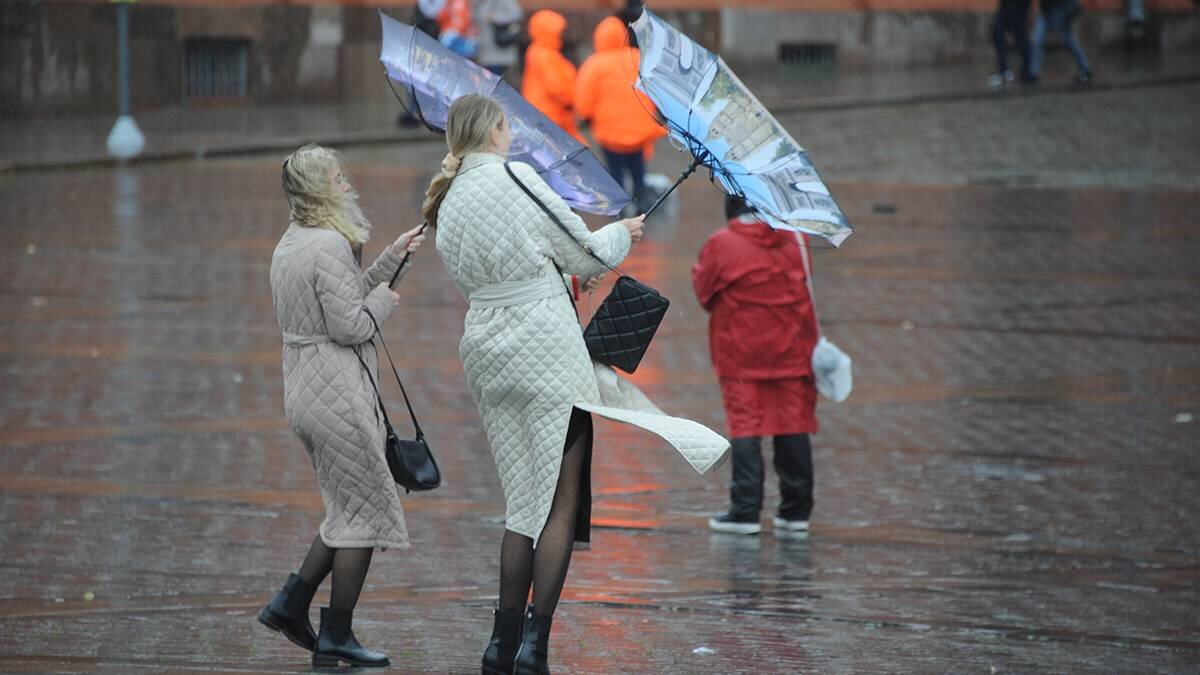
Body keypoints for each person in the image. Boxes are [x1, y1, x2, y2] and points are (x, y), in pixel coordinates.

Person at [426, 94, 728, 674]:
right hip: (545, 350)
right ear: (493, 131)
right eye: (507, 125)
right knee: (560, 500)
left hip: (488, 354)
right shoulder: (515, 176)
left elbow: (501, 270)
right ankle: (536, 646)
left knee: (521, 502)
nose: (511, 134)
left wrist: (553, 274)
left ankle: (500, 644)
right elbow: (586, 253)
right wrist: (623, 234)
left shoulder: (446, 198)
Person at [259, 144, 426, 668]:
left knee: (346, 509)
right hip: (338, 394)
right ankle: (337, 633)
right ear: (317, 191)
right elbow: (350, 323)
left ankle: (291, 603)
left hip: (307, 391)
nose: (346, 183)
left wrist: (392, 258)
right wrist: (384, 303)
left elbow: (340, 295)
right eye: (336, 178)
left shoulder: (294, 241)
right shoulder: (329, 243)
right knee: (366, 515)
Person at [692, 195, 819, 536]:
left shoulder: (723, 243)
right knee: (792, 422)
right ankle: (796, 511)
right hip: (792, 349)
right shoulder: (797, 238)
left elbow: (704, 292)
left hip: (741, 352)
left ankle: (746, 511)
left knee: (746, 424)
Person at [575, 16, 666, 213]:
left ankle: (619, 207)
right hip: (640, 131)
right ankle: (641, 199)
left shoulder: (594, 64)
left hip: (609, 133)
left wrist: (584, 116)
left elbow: (584, 99)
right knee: (637, 167)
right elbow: (654, 88)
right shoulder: (638, 57)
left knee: (615, 171)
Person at [522, 9, 585, 143]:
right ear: (548, 31)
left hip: (548, 113)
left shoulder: (540, 51)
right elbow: (557, 87)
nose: (561, 35)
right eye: (558, 31)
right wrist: (575, 99)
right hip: (551, 115)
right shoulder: (545, 55)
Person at [1028, 0, 1092, 84]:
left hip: (1058, 10)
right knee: (1037, 40)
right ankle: (1034, 73)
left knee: (1068, 40)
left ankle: (1085, 68)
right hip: (1046, 11)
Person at [475, 0, 525, 78]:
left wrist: (495, 17)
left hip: (500, 51)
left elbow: (517, 14)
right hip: (485, 48)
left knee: (497, 79)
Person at [988, 0, 1033, 87]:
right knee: (997, 31)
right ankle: (1003, 69)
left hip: (1018, 7)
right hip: (1007, 6)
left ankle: (1026, 71)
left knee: (1020, 37)